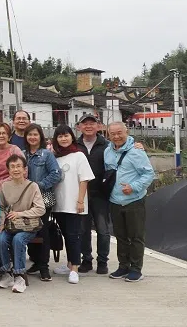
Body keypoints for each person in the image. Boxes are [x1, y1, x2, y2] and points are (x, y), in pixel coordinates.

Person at [105, 122, 154, 283]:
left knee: (136, 236)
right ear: (108, 135)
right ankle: (123, 265)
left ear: (127, 132)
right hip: (115, 200)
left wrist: (133, 187)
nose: (116, 136)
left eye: (120, 133)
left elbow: (148, 174)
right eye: (113, 134)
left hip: (134, 200)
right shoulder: (108, 151)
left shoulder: (136, 152)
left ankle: (136, 269)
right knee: (120, 236)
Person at [49, 125, 94, 285]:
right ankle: (69, 264)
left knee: (74, 236)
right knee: (67, 235)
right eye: (60, 136)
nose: (63, 139)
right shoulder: (55, 157)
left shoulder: (79, 155)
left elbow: (85, 179)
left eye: (66, 135)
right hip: (59, 204)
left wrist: (81, 200)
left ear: (71, 137)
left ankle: (75, 268)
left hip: (75, 204)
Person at [0, 155, 45, 293]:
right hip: (10, 225)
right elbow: (1, 207)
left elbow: (41, 209)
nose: (16, 169)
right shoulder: (5, 186)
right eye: (12, 167)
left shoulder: (32, 186)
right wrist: (2, 222)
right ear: (8, 170)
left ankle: (19, 276)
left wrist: (21, 213)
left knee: (18, 239)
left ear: (25, 169)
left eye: (19, 166)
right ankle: (7, 274)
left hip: (27, 226)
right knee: (0, 239)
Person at [24, 124, 62, 282]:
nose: (32, 137)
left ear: (40, 137)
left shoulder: (46, 154)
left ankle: (44, 266)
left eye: (35, 134)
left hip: (44, 198)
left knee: (43, 231)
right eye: (29, 134)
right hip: (26, 200)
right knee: (28, 230)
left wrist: (39, 185)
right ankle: (36, 261)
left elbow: (56, 174)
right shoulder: (22, 154)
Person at [77, 113, 112, 274]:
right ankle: (86, 259)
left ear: (99, 126)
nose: (88, 126)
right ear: (79, 127)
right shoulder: (75, 146)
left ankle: (103, 261)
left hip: (101, 194)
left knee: (103, 230)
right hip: (81, 194)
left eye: (92, 123)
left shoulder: (107, 146)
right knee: (83, 230)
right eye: (85, 123)